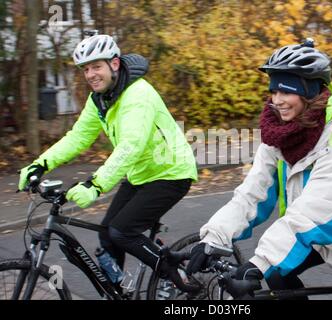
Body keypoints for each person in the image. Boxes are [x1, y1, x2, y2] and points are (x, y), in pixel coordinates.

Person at [186, 39, 332, 300]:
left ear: (310, 93)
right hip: (316, 235)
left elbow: (308, 217)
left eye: (286, 92)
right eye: (273, 91)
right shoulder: (280, 136)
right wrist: (214, 238)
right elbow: (252, 193)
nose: (277, 101)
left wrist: (257, 265)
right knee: (277, 275)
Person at [18, 33, 198, 291]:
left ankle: (176, 275)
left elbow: (130, 146)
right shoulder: (99, 99)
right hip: (141, 174)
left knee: (122, 231)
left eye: (96, 66)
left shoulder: (138, 95)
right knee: (107, 233)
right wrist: (40, 164)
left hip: (171, 172)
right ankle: (119, 293)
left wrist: (96, 185)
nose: (90, 74)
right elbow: (78, 138)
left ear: (114, 64)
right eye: (86, 69)